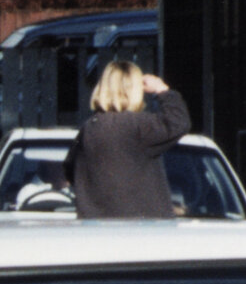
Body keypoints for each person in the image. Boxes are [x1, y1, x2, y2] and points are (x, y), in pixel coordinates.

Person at [63, 62, 190, 219]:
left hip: (96, 231)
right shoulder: (138, 126)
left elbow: (70, 168)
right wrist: (161, 89)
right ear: (135, 91)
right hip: (141, 231)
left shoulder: (89, 127)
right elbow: (178, 122)